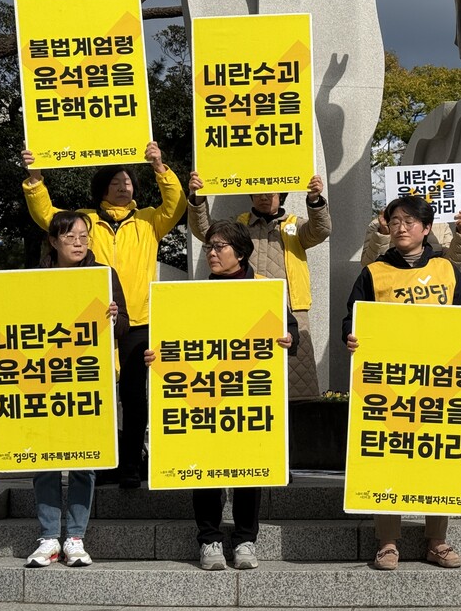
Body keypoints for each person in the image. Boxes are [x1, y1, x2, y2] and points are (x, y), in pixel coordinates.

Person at [343, 195, 461, 571]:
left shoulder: (446, 269)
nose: (401, 227)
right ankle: (388, 543)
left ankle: (437, 542)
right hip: (389, 384)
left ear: (427, 229)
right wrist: (352, 337)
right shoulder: (374, 272)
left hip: (438, 384)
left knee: (437, 454)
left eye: (410, 221)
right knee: (386, 454)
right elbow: (353, 319)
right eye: (395, 220)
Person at [22, 142, 187, 489]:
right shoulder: (86, 220)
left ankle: (129, 464)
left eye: (127, 182)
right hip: (90, 323)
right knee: (95, 394)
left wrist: (160, 167)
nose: (123, 186)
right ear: (101, 189)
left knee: (133, 395)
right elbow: (48, 217)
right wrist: (35, 179)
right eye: (115, 182)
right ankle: (99, 459)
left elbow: (177, 204)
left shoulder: (149, 221)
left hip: (137, 320)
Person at [145, 219, 297, 571]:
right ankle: (210, 540)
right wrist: (156, 356)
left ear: (241, 253)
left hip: (247, 392)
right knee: (207, 466)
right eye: (209, 247)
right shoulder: (194, 293)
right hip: (205, 393)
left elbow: (290, 332)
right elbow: (171, 341)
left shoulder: (265, 289)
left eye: (219, 247)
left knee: (248, 465)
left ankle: (245, 539)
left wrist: (288, 340)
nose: (212, 253)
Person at [26, 211, 130, 567]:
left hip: (90, 378)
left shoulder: (103, 276)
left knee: (85, 459)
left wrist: (114, 316)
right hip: (46, 378)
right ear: (54, 240)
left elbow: (123, 330)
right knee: (45, 458)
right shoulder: (36, 277)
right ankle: (47, 536)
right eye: (70, 236)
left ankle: (74, 537)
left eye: (84, 235)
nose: (78, 241)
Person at [187, 172, 329, 400]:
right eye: (259, 191)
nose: (264, 196)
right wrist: (197, 199)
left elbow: (321, 230)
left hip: (290, 310)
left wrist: (314, 200)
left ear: (281, 195)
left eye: (271, 192)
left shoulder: (294, 225)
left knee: (293, 388)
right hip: (243, 309)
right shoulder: (240, 223)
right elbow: (206, 233)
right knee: (246, 383)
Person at [361, 207, 461, 268]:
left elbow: (452, 265)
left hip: (431, 293)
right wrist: (384, 233)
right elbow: (369, 266)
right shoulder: (379, 225)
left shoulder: (440, 225)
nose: (402, 229)